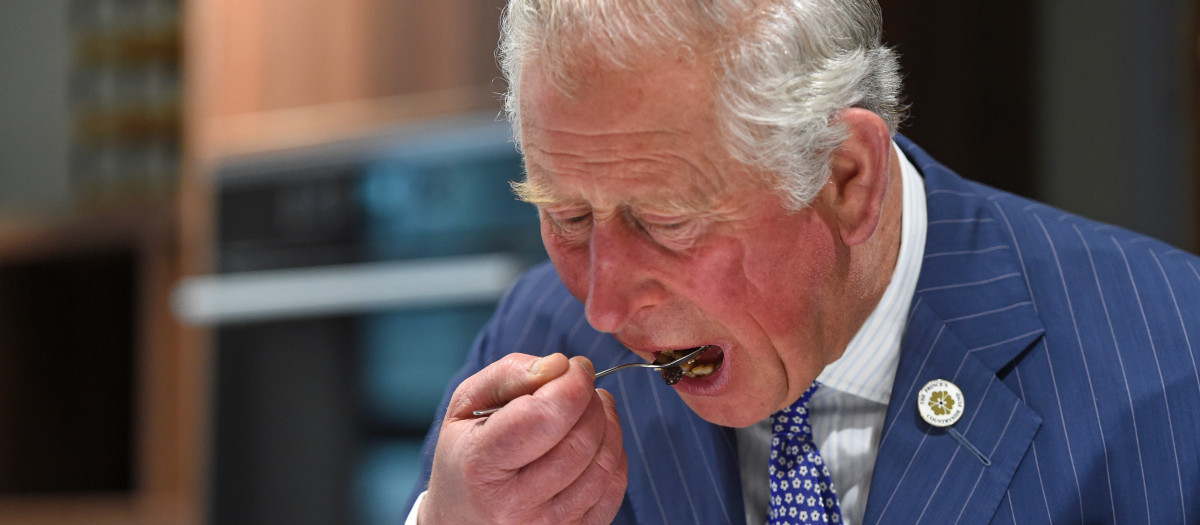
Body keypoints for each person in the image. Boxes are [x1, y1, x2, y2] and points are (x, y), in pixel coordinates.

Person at [405, 0, 1200, 523]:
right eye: (568, 215)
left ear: (847, 178)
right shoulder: (535, 335)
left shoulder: (1173, 363)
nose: (602, 306)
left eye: (667, 221)